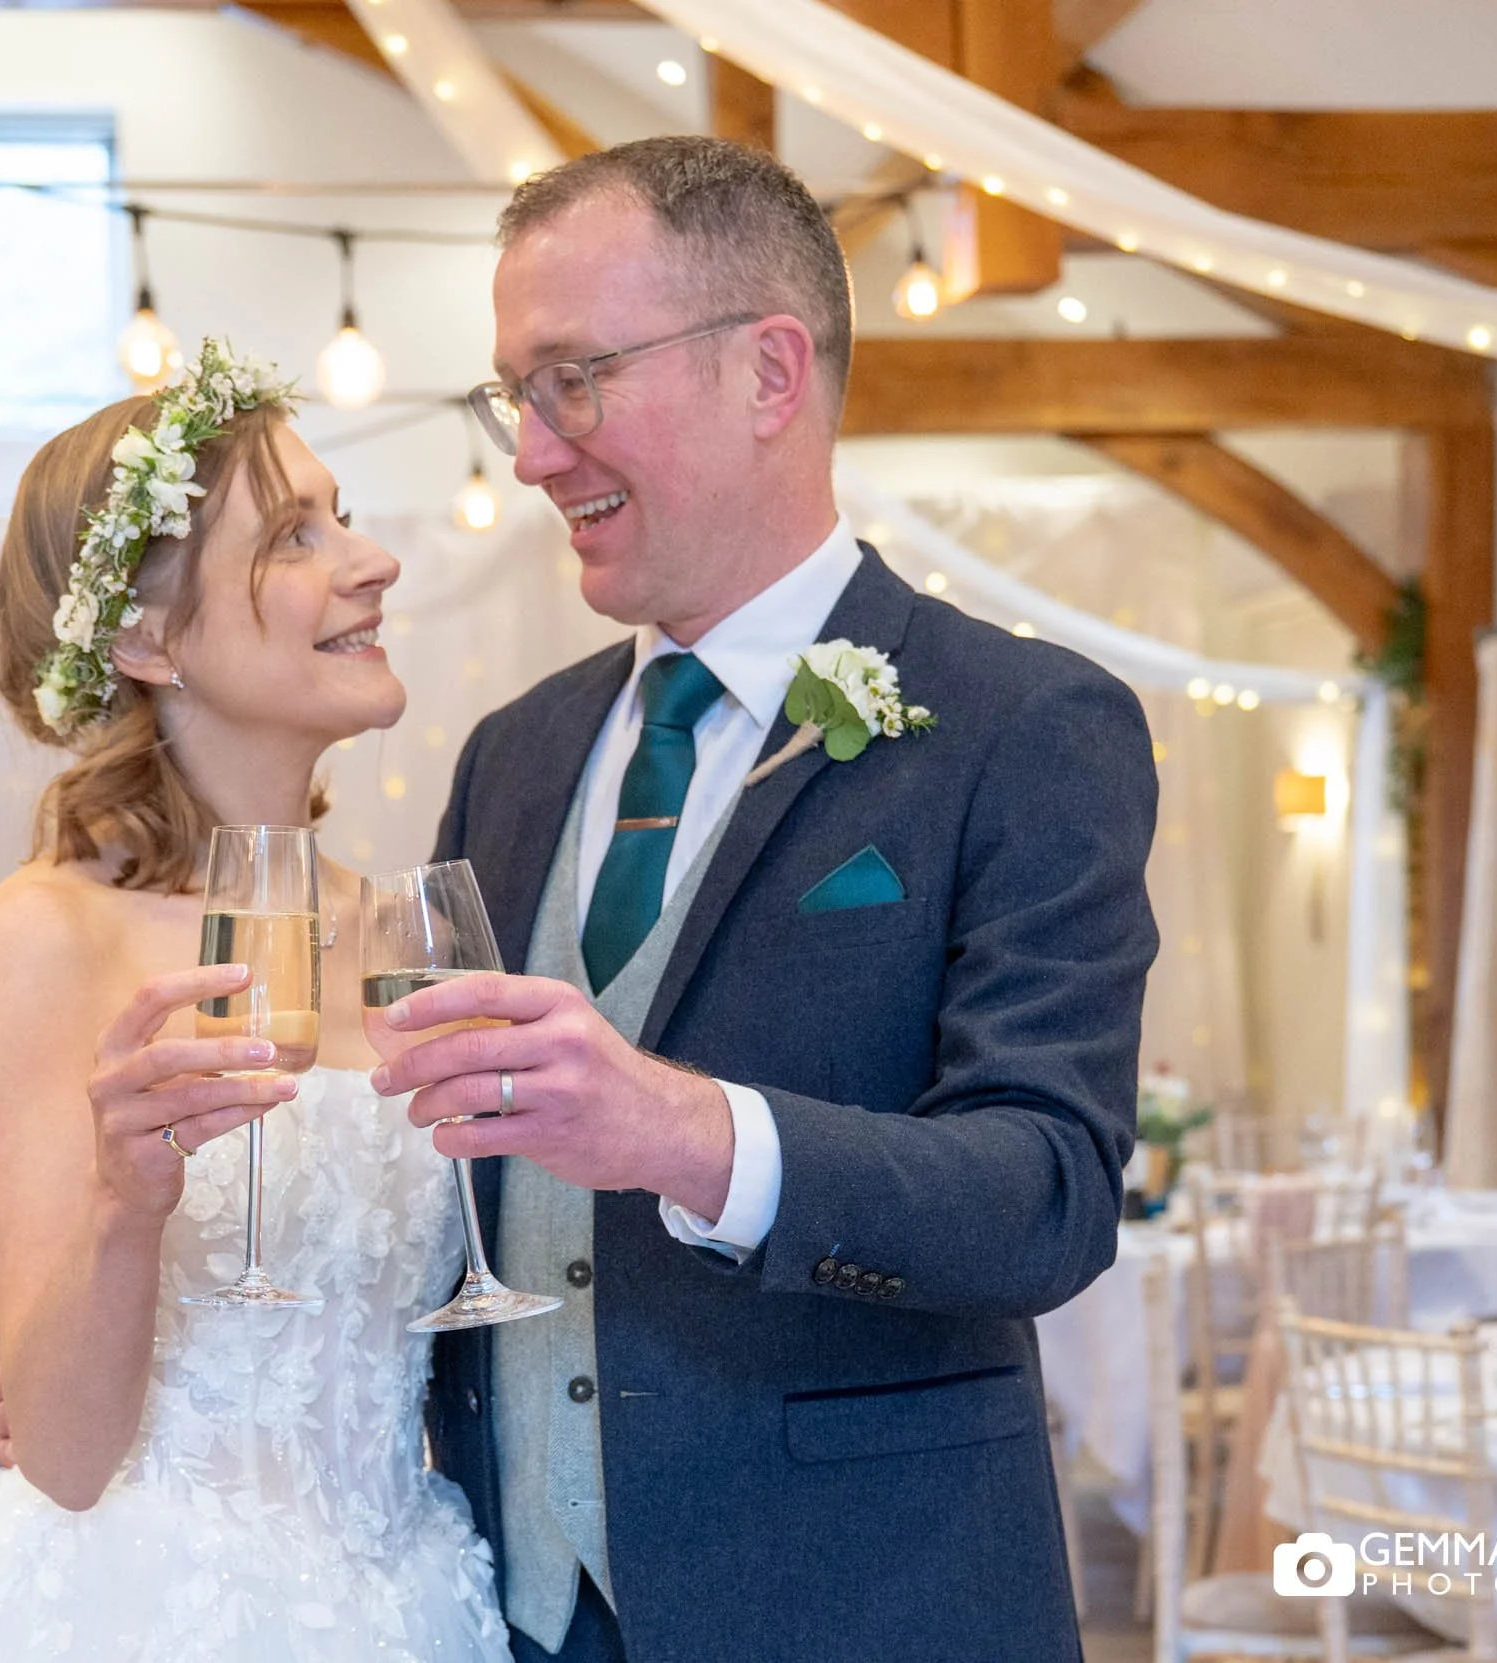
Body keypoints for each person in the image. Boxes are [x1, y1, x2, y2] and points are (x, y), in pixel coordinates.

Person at [371, 137, 1160, 1661]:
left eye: (575, 379)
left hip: (864, 1605)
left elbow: (1048, 1191)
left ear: (771, 373)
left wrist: (681, 1129)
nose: (532, 453)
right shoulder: (515, 754)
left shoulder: (1024, 725)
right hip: (518, 1612)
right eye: (513, 397)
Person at [0, 342, 513, 1663]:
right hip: (148, 1614)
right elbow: (55, 1451)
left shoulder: (404, 926)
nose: (370, 558)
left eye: (342, 513)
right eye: (293, 536)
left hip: (416, 1595)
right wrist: (126, 1202)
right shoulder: (47, 935)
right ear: (145, 637)